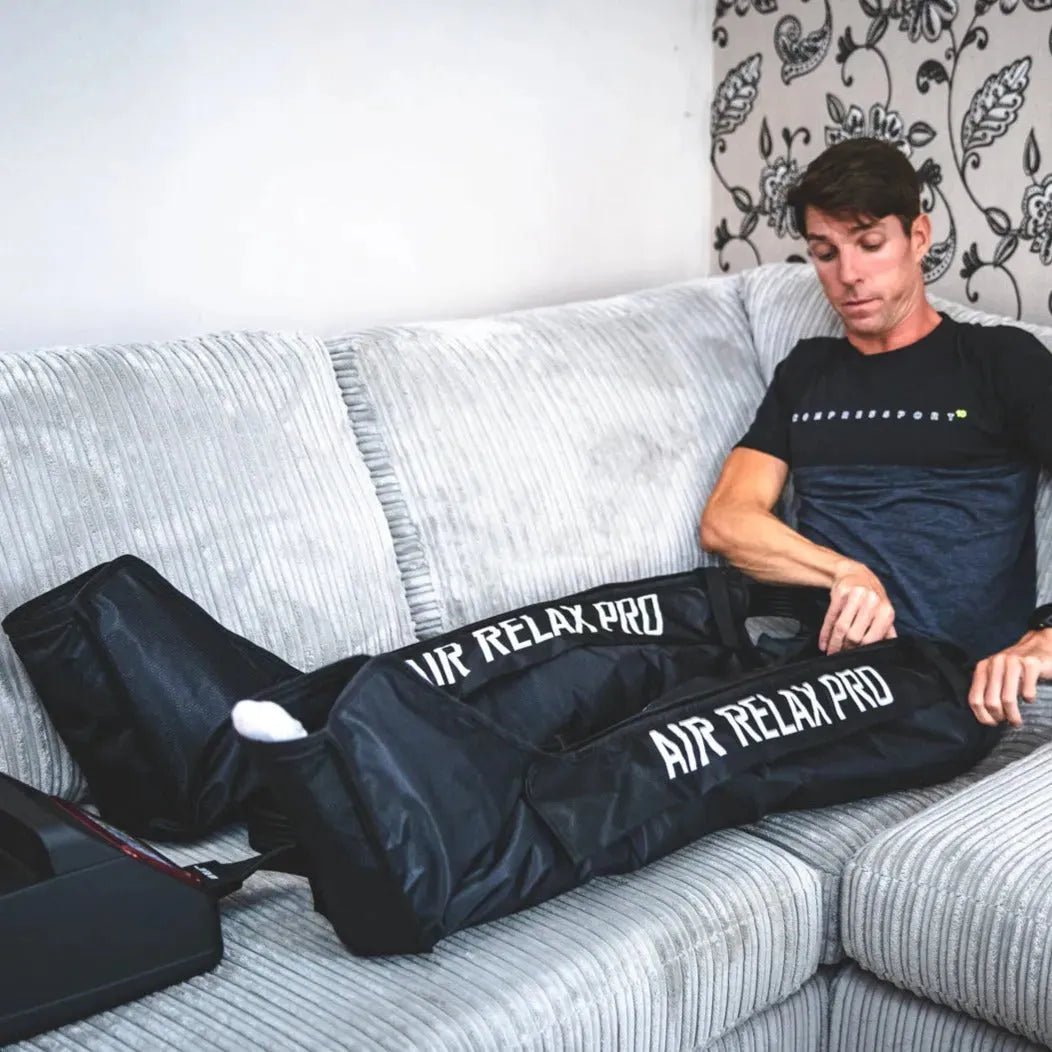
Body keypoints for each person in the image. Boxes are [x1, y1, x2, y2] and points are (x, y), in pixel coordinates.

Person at [700, 137, 1052, 730]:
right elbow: (726, 520)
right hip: (790, 660)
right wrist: (844, 571)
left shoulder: (999, 360)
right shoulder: (808, 369)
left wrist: (1046, 634)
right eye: (825, 253)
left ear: (919, 236)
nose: (849, 276)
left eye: (869, 244)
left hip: (925, 685)